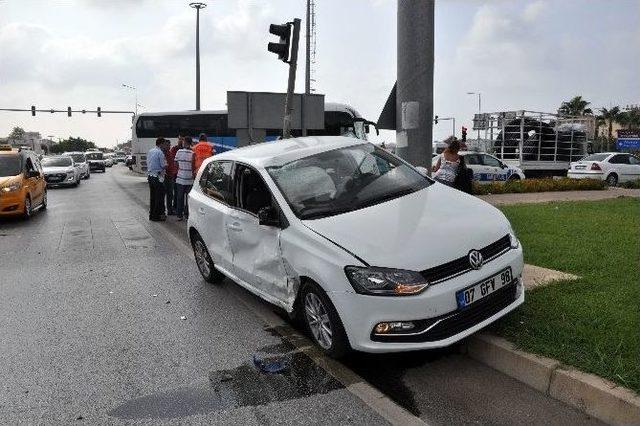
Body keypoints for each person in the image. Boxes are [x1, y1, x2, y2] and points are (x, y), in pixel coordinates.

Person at [174, 137, 196, 221]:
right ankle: (187, 215)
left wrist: (181, 168)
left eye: (183, 142)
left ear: (185, 142)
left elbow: (175, 163)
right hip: (190, 179)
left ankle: (179, 215)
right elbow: (194, 165)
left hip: (180, 178)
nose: (182, 143)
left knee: (180, 197)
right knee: (188, 198)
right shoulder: (193, 152)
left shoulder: (179, 152)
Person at [147, 138, 168, 221]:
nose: (165, 146)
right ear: (161, 144)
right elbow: (163, 165)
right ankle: (157, 216)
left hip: (150, 176)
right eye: (164, 144)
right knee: (159, 197)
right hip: (157, 177)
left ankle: (151, 215)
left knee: (153, 197)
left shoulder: (150, 151)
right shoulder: (160, 152)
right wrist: (167, 164)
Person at [163, 136, 182, 215]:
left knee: (170, 194)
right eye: (167, 145)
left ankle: (170, 210)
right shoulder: (163, 153)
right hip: (166, 176)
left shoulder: (169, 152)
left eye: (169, 145)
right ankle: (166, 210)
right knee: (166, 193)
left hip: (171, 175)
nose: (169, 146)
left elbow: (172, 163)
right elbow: (165, 165)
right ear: (164, 145)